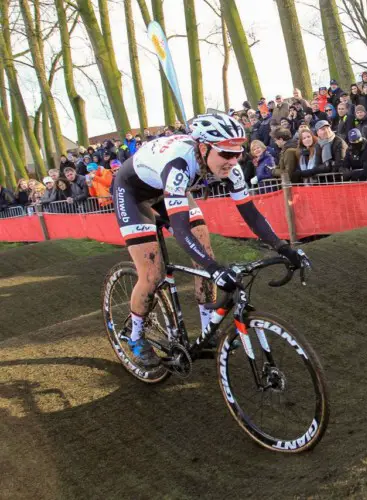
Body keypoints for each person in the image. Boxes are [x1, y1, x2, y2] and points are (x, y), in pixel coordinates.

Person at [114, 113, 304, 366]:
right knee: (152, 274)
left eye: (237, 154)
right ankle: (135, 335)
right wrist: (215, 271)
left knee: (205, 250)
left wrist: (283, 247)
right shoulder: (179, 165)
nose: (232, 161)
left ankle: (207, 333)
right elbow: (181, 231)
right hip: (134, 194)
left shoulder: (230, 168)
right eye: (225, 154)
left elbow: (252, 215)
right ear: (203, 148)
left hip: (170, 191)